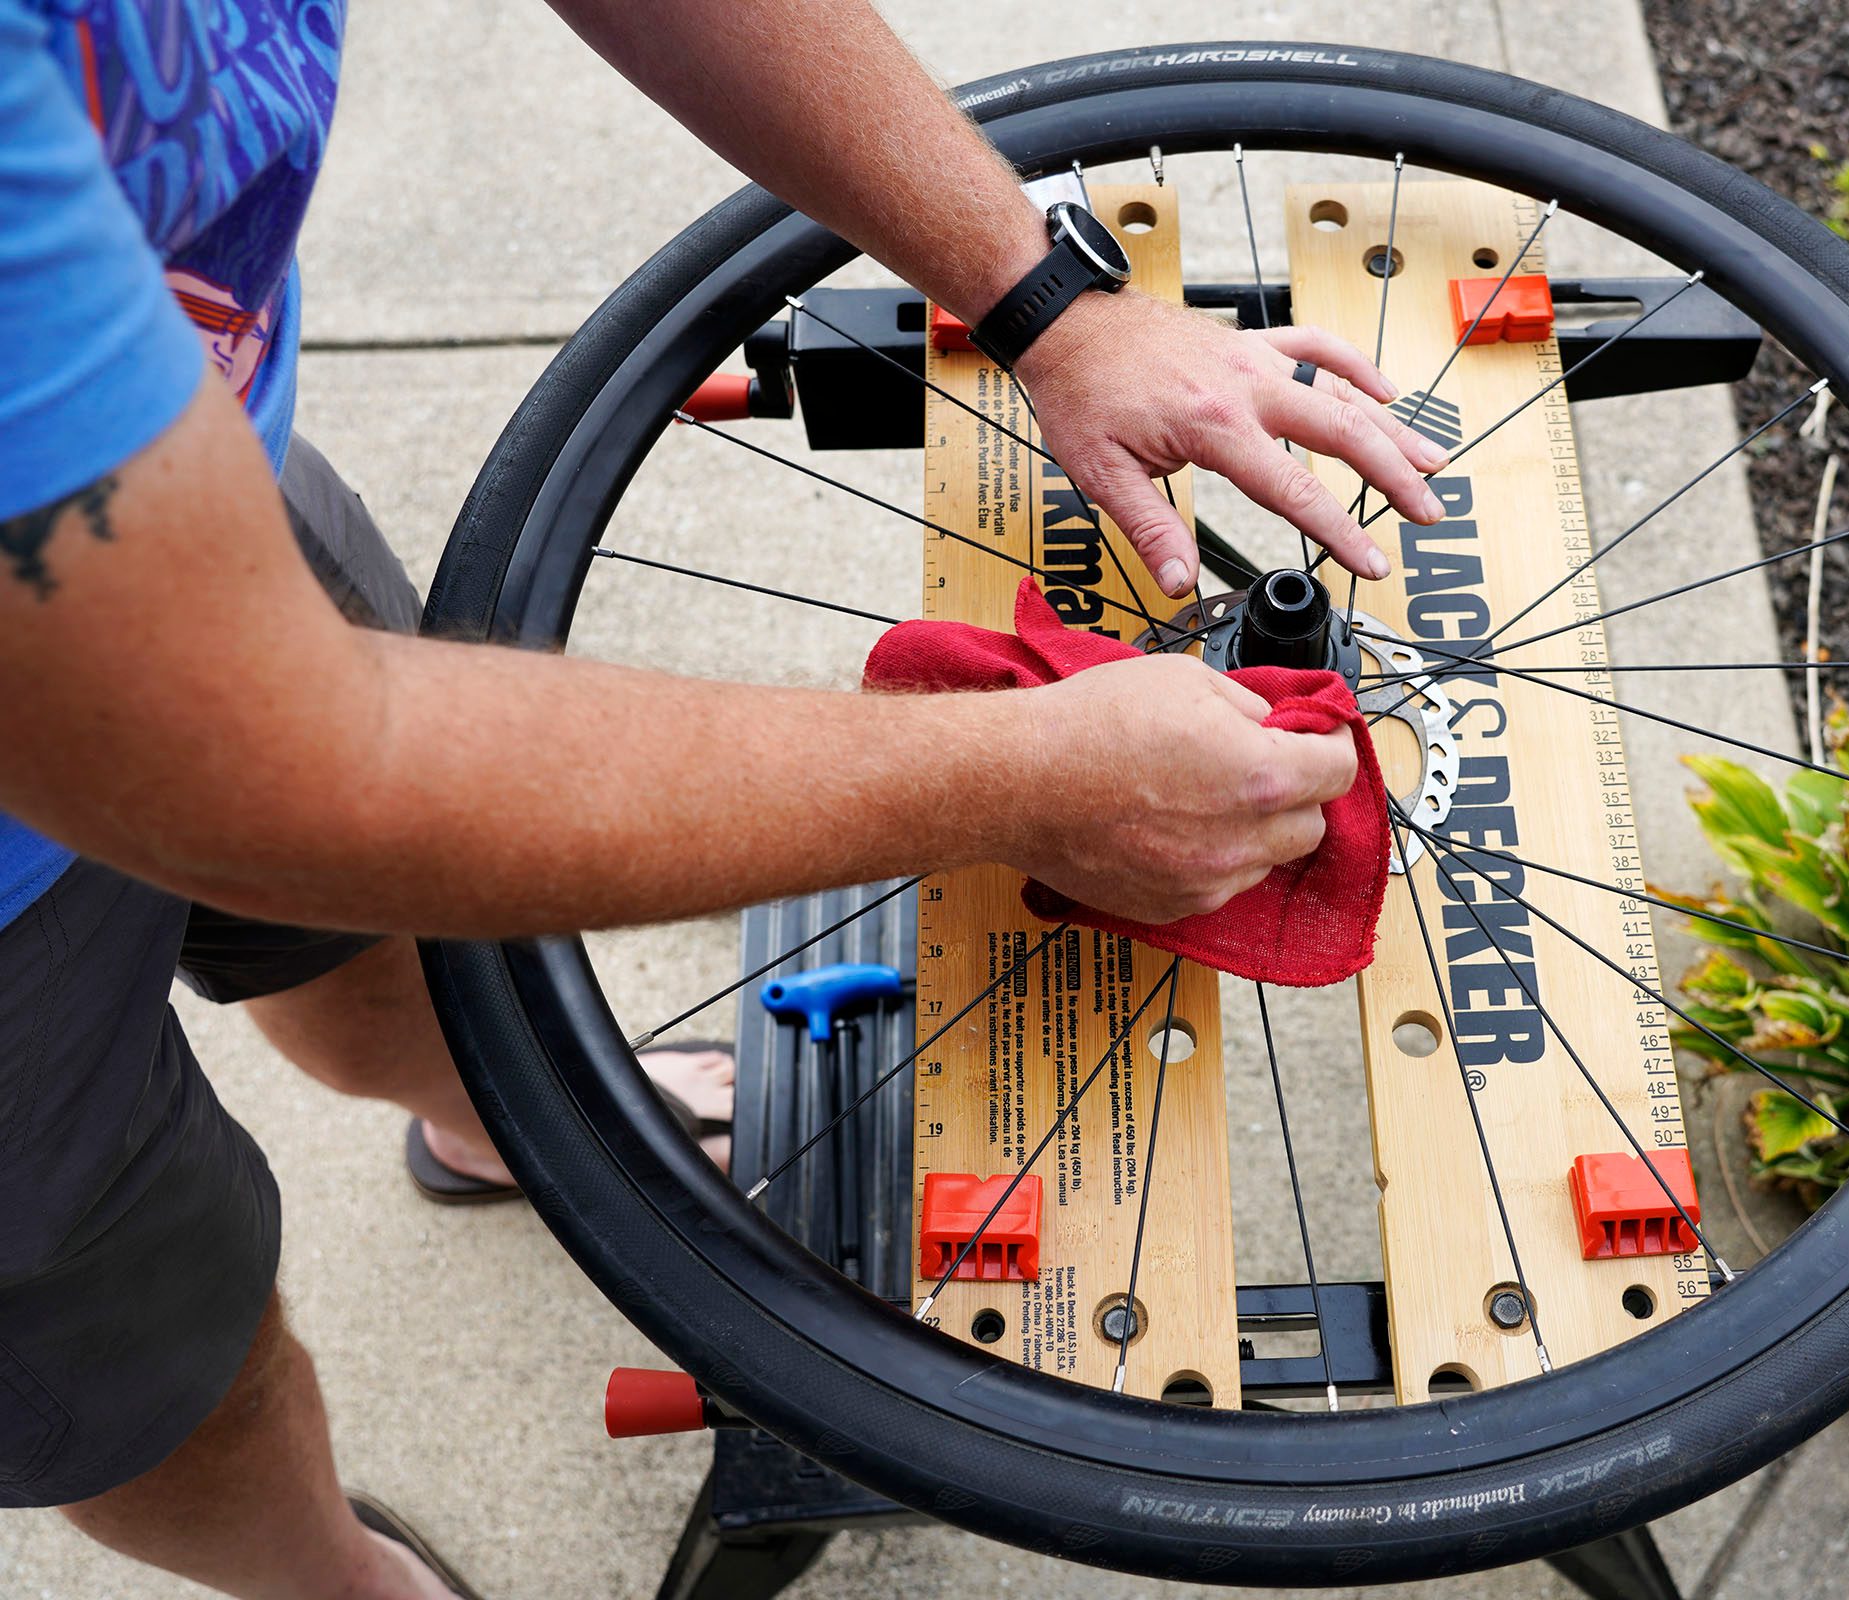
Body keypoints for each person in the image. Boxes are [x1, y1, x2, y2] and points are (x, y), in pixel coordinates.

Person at [0, 1, 1451, 1594]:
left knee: (398, 947)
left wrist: (1051, 300)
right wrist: (1034, 778)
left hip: (167, 441)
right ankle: (328, 1578)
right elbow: (284, 768)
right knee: (142, 1356)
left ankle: (487, 1117)